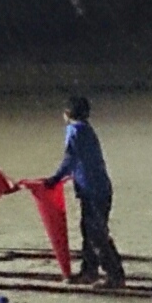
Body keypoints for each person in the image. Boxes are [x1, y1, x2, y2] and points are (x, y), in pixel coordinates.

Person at [45, 95, 125, 289]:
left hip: (93, 191)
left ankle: (114, 274)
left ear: (67, 113)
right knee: (89, 231)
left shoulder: (74, 130)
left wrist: (55, 178)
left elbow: (70, 158)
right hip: (99, 189)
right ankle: (89, 271)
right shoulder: (87, 129)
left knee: (96, 234)